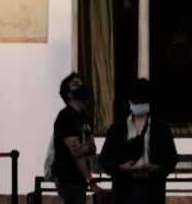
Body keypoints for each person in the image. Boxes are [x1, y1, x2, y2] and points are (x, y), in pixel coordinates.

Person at [99, 78, 177, 204]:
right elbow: (105, 160)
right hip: (124, 190)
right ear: (130, 101)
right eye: (137, 101)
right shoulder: (117, 128)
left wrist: (158, 167)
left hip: (152, 189)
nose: (139, 105)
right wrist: (121, 167)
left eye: (143, 101)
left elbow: (172, 159)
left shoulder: (161, 128)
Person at [52, 72, 100, 204]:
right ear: (69, 94)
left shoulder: (84, 116)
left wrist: (86, 148)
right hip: (68, 179)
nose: (82, 86)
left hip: (80, 178)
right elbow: (76, 152)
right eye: (76, 85)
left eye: (81, 83)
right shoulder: (66, 117)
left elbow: (92, 147)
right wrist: (91, 180)